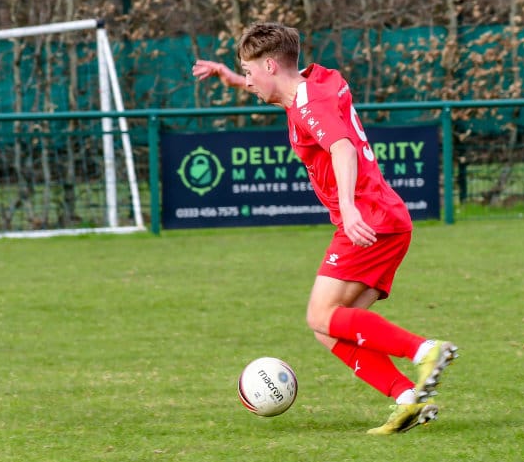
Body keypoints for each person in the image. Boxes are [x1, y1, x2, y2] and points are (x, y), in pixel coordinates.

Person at [192, 22, 458, 435]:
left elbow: (341, 147)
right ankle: (409, 399)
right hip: (386, 218)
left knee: (320, 314)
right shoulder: (315, 83)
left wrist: (348, 209)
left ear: (270, 65)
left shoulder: (308, 104)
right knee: (330, 329)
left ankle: (425, 351)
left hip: (368, 218)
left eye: (249, 71)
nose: (249, 80)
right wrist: (232, 79)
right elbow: (290, 93)